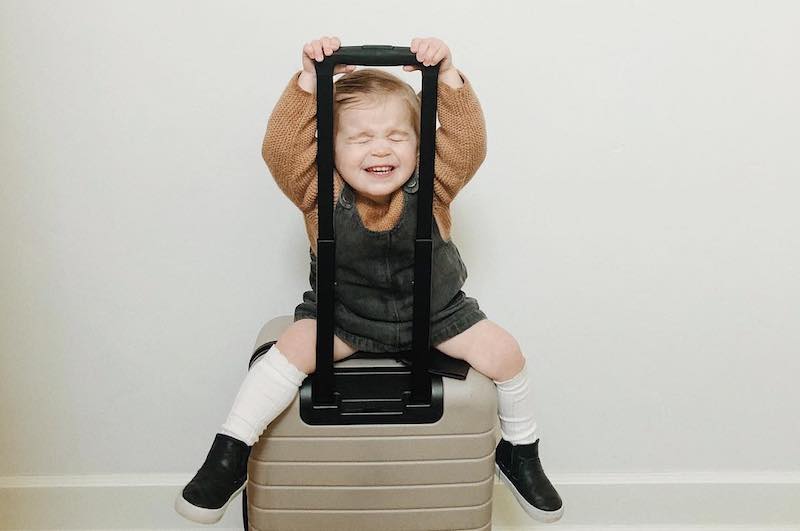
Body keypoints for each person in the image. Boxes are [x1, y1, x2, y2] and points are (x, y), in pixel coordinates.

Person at [175, 36, 563, 525]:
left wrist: (446, 77)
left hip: (436, 314)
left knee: (506, 354)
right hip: (345, 316)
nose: (381, 148)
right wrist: (309, 82)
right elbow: (281, 150)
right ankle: (230, 453)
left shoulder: (434, 183)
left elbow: (468, 144)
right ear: (328, 149)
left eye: (397, 137)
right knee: (288, 351)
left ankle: (521, 451)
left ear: (419, 145)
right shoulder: (318, 191)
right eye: (360, 139)